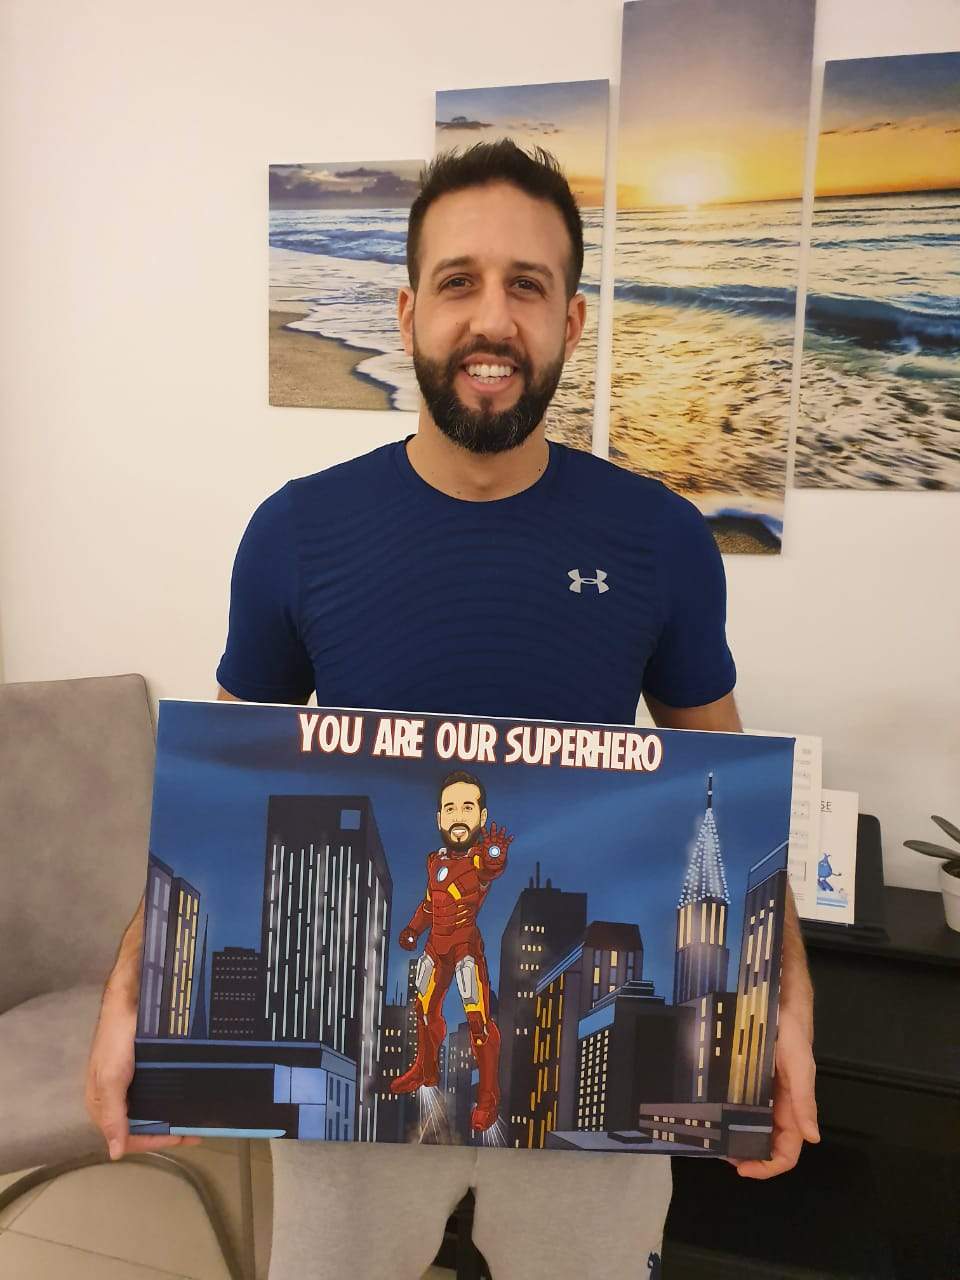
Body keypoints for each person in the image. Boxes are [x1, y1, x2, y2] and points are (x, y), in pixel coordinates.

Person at [87, 140, 818, 1280]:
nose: (492, 318)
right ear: (407, 309)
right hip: (358, 1067)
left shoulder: (661, 537)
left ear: (573, 321)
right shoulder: (297, 531)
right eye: (459, 281)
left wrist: (786, 1013)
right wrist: (134, 991)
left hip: (588, 1079)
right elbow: (214, 803)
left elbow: (723, 792)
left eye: (527, 286)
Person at [391, 771, 512, 1133]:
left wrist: (494, 855)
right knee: (424, 1010)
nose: (458, 815)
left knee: (478, 1022)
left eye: (467, 806)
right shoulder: (435, 861)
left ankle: (488, 1097)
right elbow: (431, 903)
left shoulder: (477, 860)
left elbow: (491, 866)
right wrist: (413, 928)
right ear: (439, 818)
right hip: (435, 947)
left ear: (482, 816)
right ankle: (425, 1069)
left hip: (464, 950)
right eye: (450, 807)